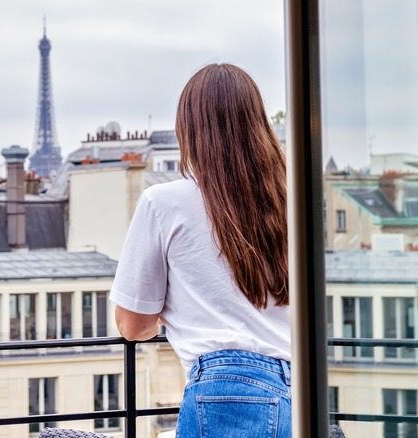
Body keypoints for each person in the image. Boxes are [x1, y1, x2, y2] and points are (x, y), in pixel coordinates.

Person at [110, 63, 291, 437]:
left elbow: (132, 325)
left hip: (225, 392)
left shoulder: (163, 202)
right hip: (299, 388)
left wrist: (176, 309)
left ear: (189, 130)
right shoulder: (290, 200)